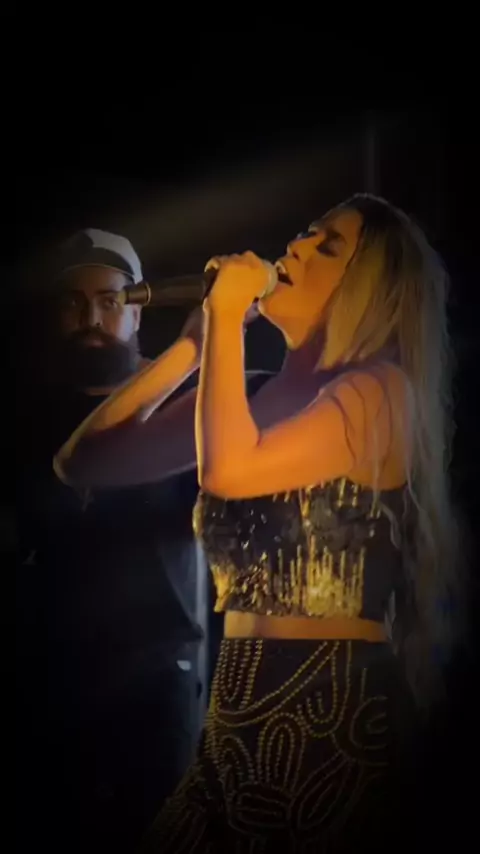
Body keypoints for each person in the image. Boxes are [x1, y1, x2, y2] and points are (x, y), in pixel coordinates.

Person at [55, 195, 460, 851]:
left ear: (368, 288)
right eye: (304, 233)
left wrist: (224, 318)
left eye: (326, 246)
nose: (296, 247)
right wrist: (193, 349)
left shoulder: (381, 392)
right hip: (232, 719)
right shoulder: (251, 395)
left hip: (329, 715)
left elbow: (228, 472)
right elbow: (85, 462)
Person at [16, 229, 205, 853]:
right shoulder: (23, 415)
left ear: (137, 310)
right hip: (51, 680)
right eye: (74, 303)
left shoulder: (186, 402)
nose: (91, 319)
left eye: (109, 300)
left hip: (158, 677)